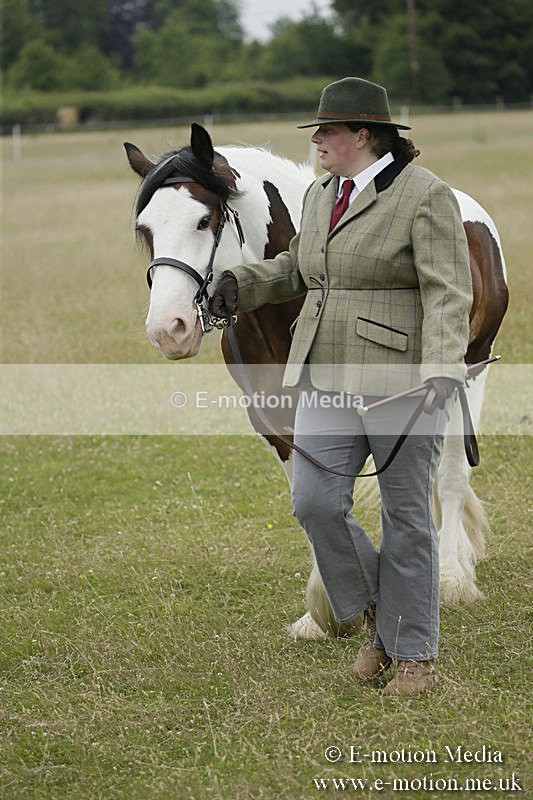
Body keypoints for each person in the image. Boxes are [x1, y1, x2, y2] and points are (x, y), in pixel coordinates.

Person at [209, 77, 472, 697]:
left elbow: (447, 292)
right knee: (313, 501)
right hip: (323, 376)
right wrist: (239, 284)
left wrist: (441, 369)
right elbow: (297, 268)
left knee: (407, 518)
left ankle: (415, 655)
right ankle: (386, 615)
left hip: (401, 384)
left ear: (364, 134)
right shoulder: (321, 194)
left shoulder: (425, 196)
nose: (318, 140)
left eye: (327, 130)